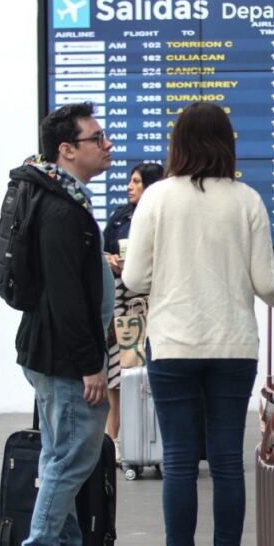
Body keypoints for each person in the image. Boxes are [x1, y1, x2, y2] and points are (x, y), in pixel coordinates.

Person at [122, 102, 274, 546]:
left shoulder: (155, 198)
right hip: (234, 344)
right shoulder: (246, 200)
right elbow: (266, 283)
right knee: (225, 462)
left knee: (177, 460)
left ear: (177, 142)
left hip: (173, 344)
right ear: (227, 142)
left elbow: (134, 277)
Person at [11, 102, 125, 546]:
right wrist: (90, 365)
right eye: (96, 139)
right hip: (65, 358)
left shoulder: (57, 200)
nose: (107, 145)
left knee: (65, 460)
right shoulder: (60, 209)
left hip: (54, 353)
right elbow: (66, 297)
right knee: (70, 460)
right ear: (66, 150)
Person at [103, 162, 164, 463]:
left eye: (137, 181)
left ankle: (153, 441)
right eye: (130, 180)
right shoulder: (119, 217)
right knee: (117, 371)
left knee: (151, 372)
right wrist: (110, 258)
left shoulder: (163, 217)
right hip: (122, 303)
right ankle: (113, 440)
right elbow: (100, 250)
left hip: (153, 301)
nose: (130, 186)